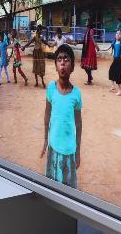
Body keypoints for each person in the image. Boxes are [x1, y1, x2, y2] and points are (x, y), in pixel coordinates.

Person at [40, 44, 82, 188]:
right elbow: (47, 115)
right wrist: (46, 139)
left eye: (66, 59)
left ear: (72, 67)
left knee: (67, 188)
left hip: (69, 150)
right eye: (59, 59)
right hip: (53, 146)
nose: (63, 62)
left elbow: (78, 124)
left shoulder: (76, 94)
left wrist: (78, 151)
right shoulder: (51, 88)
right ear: (56, 65)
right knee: (52, 186)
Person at [102, 29, 121, 96]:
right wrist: (99, 49)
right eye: (117, 33)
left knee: (118, 75)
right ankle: (113, 86)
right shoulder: (113, 42)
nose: (118, 34)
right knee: (111, 71)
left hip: (120, 61)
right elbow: (107, 48)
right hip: (115, 60)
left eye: (119, 34)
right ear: (115, 35)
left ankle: (120, 90)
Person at [80, 20, 100, 85]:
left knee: (87, 66)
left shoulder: (91, 30)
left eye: (87, 22)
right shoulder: (87, 31)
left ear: (89, 23)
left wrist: (96, 45)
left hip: (90, 50)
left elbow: (92, 38)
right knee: (84, 66)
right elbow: (84, 41)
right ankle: (90, 77)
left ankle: (89, 80)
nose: (86, 22)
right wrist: (76, 42)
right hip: (86, 50)